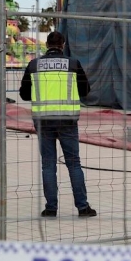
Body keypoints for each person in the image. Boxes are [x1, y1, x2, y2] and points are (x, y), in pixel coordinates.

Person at [19, 31, 96, 218]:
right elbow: (85, 90)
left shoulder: (34, 65)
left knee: (48, 165)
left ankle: (51, 208)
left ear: (47, 45)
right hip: (67, 121)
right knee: (74, 164)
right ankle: (82, 207)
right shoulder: (73, 64)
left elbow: (24, 94)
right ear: (63, 44)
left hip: (43, 121)